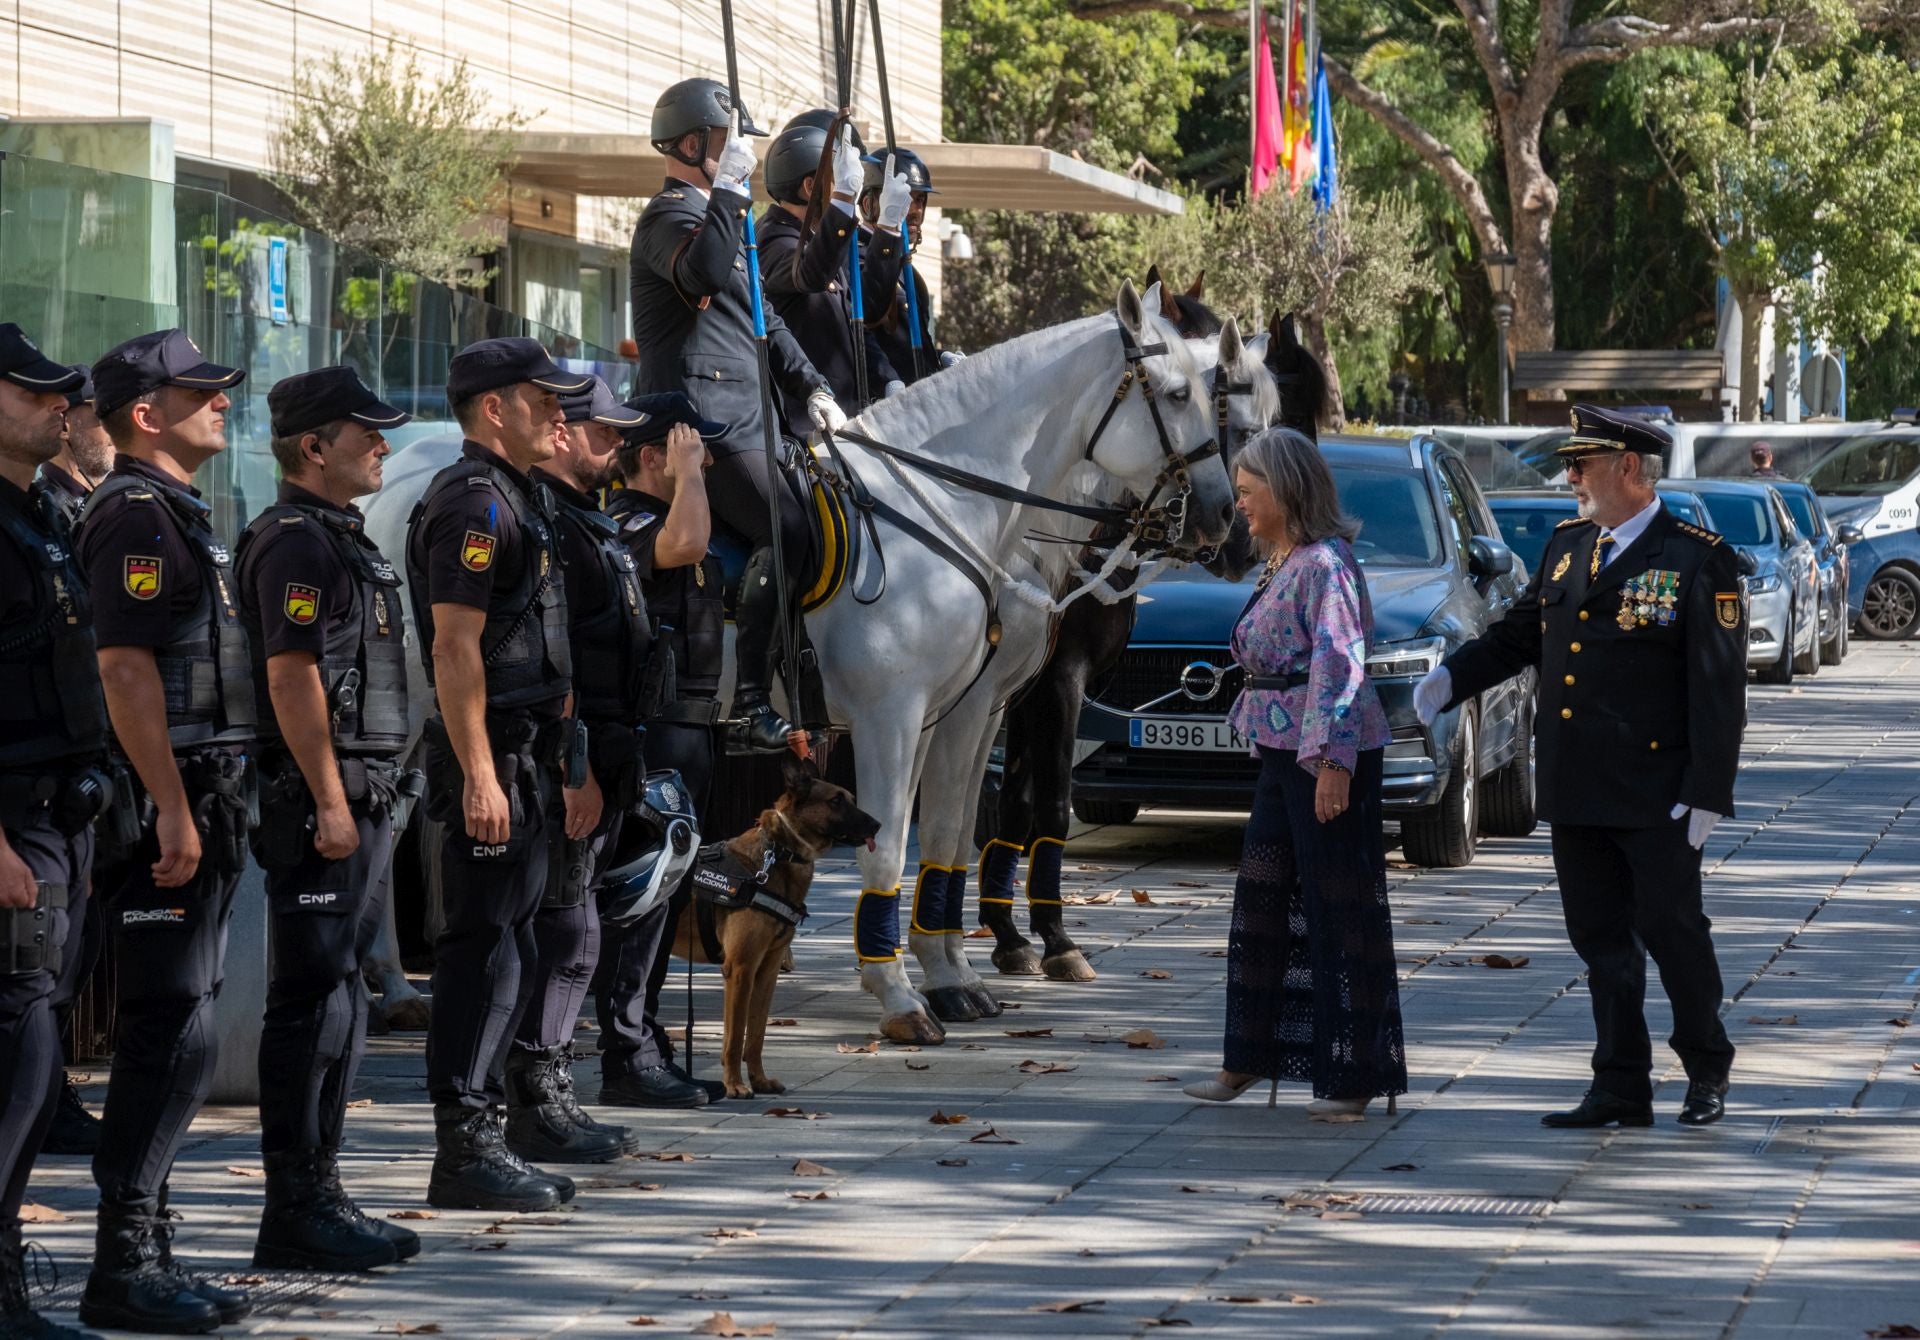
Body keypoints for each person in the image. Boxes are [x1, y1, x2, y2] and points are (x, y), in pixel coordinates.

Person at [1414, 404, 1745, 1129]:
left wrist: (1708, 791)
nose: (1570, 478)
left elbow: (1719, 688)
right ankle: (1620, 1084)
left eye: (1581, 464)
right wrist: (1450, 679)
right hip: (1577, 785)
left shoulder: (1696, 557)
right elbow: (1518, 637)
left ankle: (1706, 1067)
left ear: (1628, 467)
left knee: (1673, 933)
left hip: (1658, 795)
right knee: (1601, 943)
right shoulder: (1568, 547)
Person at [73, 328, 257, 1333]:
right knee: (164, 1034)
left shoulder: (176, 512)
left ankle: (147, 1245)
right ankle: (125, 1260)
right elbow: (125, 668)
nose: (222, 401)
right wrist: (173, 809)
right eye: (201, 391)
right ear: (147, 415)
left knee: (183, 1031)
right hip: (166, 810)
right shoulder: (135, 515)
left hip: (200, 800)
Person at [234, 367, 422, 1272]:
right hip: (324, 802)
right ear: (314, 447)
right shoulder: (294, 543)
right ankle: (295, 1205)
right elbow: (291, 676)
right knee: (311, 1003)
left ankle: (324, 1190)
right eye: (365, 432)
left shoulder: (340, 537)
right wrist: (330, 801)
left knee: (341, 997)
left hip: (361, 793)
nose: (383, 444)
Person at [403, 337, 593, 1212]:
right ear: (493, 409)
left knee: (511, 947)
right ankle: (464, 1149)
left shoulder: (521, 496)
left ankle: (494, 1132)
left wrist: (567, 763)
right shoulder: (471, 501)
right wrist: (480, 775)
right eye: (541, 398)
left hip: (530, 756)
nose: (559, 413)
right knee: (479, 955)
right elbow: (455, 647)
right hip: (493, 758)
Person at [1185, 427, 1407, 1120]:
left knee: (1339, 913)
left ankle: (1354, 1076)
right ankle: (1246, 1059)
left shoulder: (1325, 564)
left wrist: (1334, 764)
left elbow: (1340, 667)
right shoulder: (1284, 559)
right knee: (1262, 904)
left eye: (1249, 491)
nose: (1240, 504)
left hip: (1325, 755)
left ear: (1286, 491)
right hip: (1283, 754)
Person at [629, 76, 840, 753]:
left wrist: (813, 387)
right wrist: (727, 195)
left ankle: (802, 680)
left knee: (824, 514)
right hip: (698, 420)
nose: (738, 153)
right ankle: (750, 701)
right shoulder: (667, 216)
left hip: (752, 418)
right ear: (692, 144)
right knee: (787, 526)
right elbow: (703, 273)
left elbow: (765, 318)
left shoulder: (724, 216)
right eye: (726, 141)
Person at [503, 376, 652, 1162]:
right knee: (563, 935)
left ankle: (552, 1088)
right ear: (563, 435)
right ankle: (533, 1102)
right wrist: (576, 767)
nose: (616, 446)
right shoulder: (550, 525)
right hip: (574, 756)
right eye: (604, 432)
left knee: (579, 933)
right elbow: (558, 663)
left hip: (610, 749)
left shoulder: (588, 520)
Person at [0, 326, 106, 1340]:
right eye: (32, 393)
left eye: (59, 395)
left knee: (34, 1042)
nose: (56, 408)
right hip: (11, 825)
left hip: (57, 817)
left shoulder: (41, 514)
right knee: (20, 1045)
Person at [593, 393, 730, 1109]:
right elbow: (686, 547)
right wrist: (689, 474)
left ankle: (646, 1042)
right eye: (693, 447)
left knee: (664, 896)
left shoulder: (683, 516)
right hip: (658, 733)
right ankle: (627, 1055)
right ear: (653, 456)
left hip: (694, 730)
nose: (707, 460)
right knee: (639, 896)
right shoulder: (633, 522)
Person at [32, 362, 114, 1161]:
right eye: (97, 415)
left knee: (71, 951)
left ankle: (51, 1094)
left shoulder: (71, 512)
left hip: (82, 778)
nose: (105, 429)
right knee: (42, 960)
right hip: (35, 784)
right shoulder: (50, 513)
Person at [757, 114, 909, 426]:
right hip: (803, 420)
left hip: (843, 418)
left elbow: (861, 317)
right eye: (838, 179)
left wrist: (888, 380)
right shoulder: (773, 239)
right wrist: (842, 201)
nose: (852, 191)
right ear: (810, 186)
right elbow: (809, 275)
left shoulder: (820, 243)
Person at [856, 148, 963, 385]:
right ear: (869, 203)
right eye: (904, 199)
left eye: (920, 200)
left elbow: (908, 352)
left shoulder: (909, 273)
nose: (916, 210)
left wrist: (939, 357)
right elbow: (865, 322)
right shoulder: (852, 258)